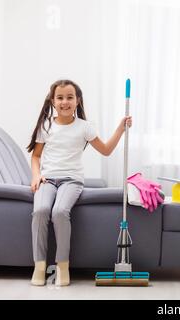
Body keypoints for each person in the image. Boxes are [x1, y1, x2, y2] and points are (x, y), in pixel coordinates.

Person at [26, 79, 132, 286]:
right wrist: (36, 175)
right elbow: (36, 156)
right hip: (47, 179)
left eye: (69, 97)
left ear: (78, 101)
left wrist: (120, 128)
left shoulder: (84, 127)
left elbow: (106, 150)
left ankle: (62, 267)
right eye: (60, 97)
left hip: (71, 181)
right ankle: (39, 267)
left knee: (59, 212)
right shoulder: (45, 126)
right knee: (40, 210)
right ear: (52, 101)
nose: (65, 102)